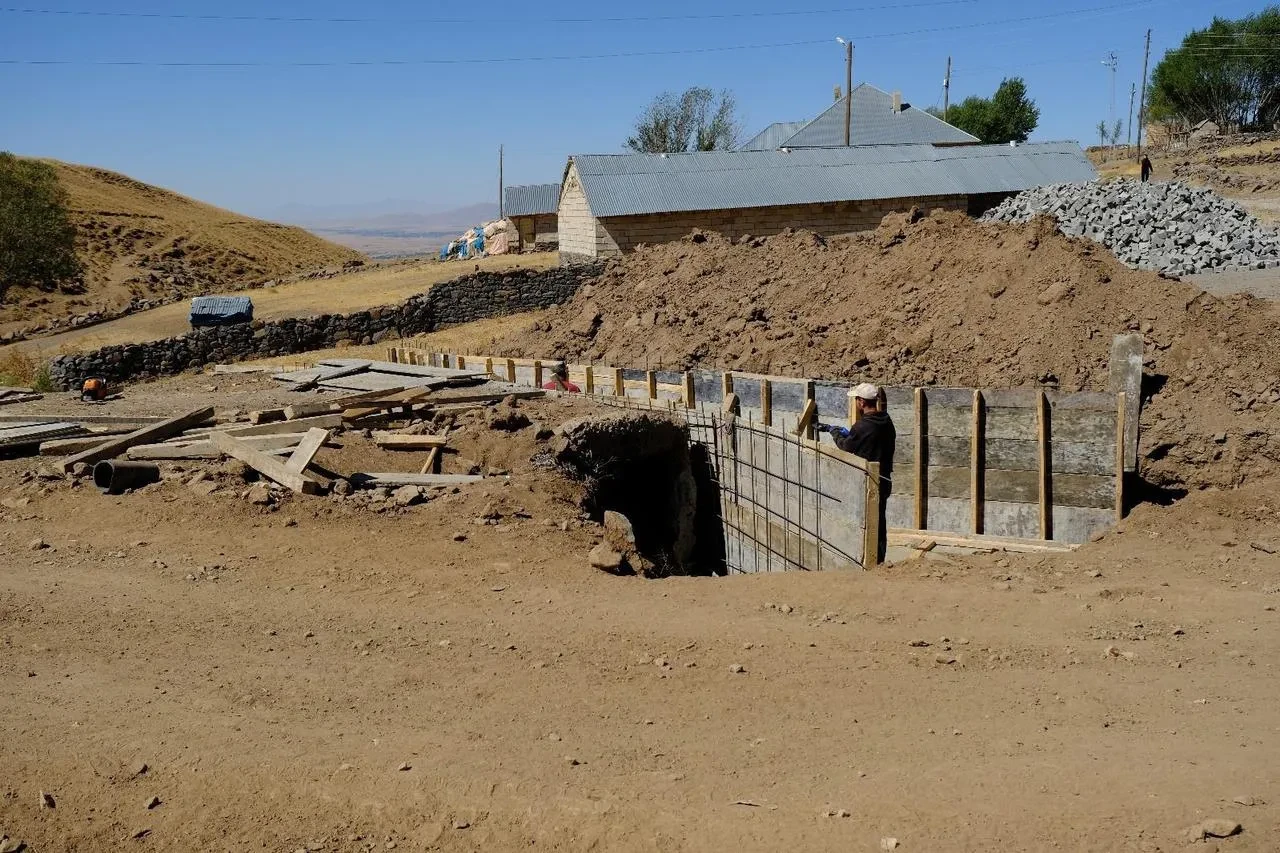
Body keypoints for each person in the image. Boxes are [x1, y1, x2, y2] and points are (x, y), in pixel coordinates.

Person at [816, 383, 895, 564]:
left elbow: (846, 447)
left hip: (868, 482)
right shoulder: (886, 421)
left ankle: (867, 562)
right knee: (879, 523)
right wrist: (848, 433)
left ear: (861, 402)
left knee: (864, 522)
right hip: (884, 479)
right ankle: (878, 561)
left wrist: (835, 433)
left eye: (856, 400)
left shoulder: (862, 427)